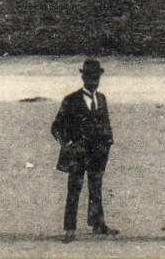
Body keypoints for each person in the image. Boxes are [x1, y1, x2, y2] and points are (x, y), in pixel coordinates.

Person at [51, 58, 119, 241]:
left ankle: (98, 224)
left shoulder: (102, 98)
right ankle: (69, 229)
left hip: (98, 152)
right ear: (83, 78)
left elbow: (106, 123)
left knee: (96, 188)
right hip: (79, 153)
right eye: (90, 77)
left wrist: (108, 143)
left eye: (96, 77)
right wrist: (67, 144)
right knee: (74, 188)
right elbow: (56, 127)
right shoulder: (71, 100)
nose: (93, 80)